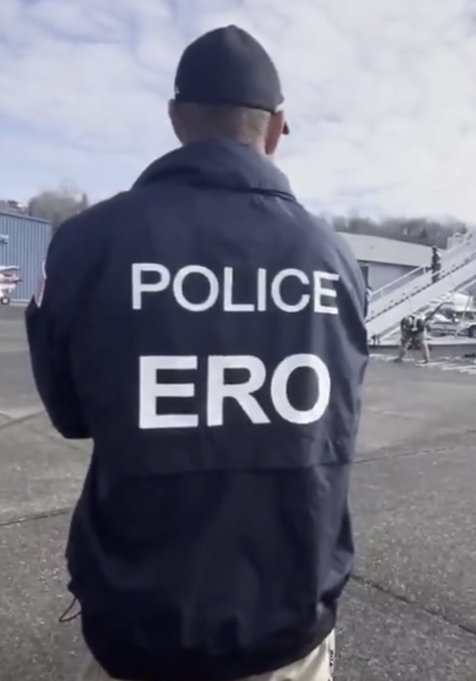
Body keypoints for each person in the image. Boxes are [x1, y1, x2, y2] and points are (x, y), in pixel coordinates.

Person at [25, 25, 368, 681]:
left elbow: (70, 415)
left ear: (177, 120)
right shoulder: (335, 259)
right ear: (277, 129)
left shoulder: (90, 242)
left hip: (138, 617)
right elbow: (338, 414)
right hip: (288, 611)